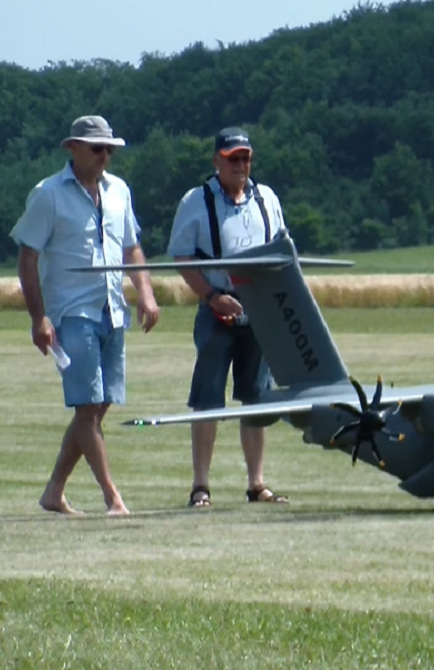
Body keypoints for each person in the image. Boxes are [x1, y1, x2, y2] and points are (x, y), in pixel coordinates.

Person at [10, 115, 161, 516]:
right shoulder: (48, 194)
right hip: (71, 313)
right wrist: (38, 318)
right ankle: (113, 498)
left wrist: (145, 294)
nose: (105, 156)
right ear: (73, 148)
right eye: (97, 148)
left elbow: (132, 248)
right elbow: (27, 258)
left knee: (97, 408)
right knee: (85, 406)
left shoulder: (119, 192)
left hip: (113, 311)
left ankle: (53, 492)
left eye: (110, 149)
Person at [168, 126, 289, 507]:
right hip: (216, 309)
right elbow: (182, 257)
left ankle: (257, 483)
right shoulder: (196, 201)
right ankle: (200, 486)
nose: (240, 165)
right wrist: (211, 296)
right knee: (207, 399)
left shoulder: (267, 198)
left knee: (256, 398)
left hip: (261, 311)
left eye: (245, 158)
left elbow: (283, 251)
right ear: (216, 160)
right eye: (232, 158)